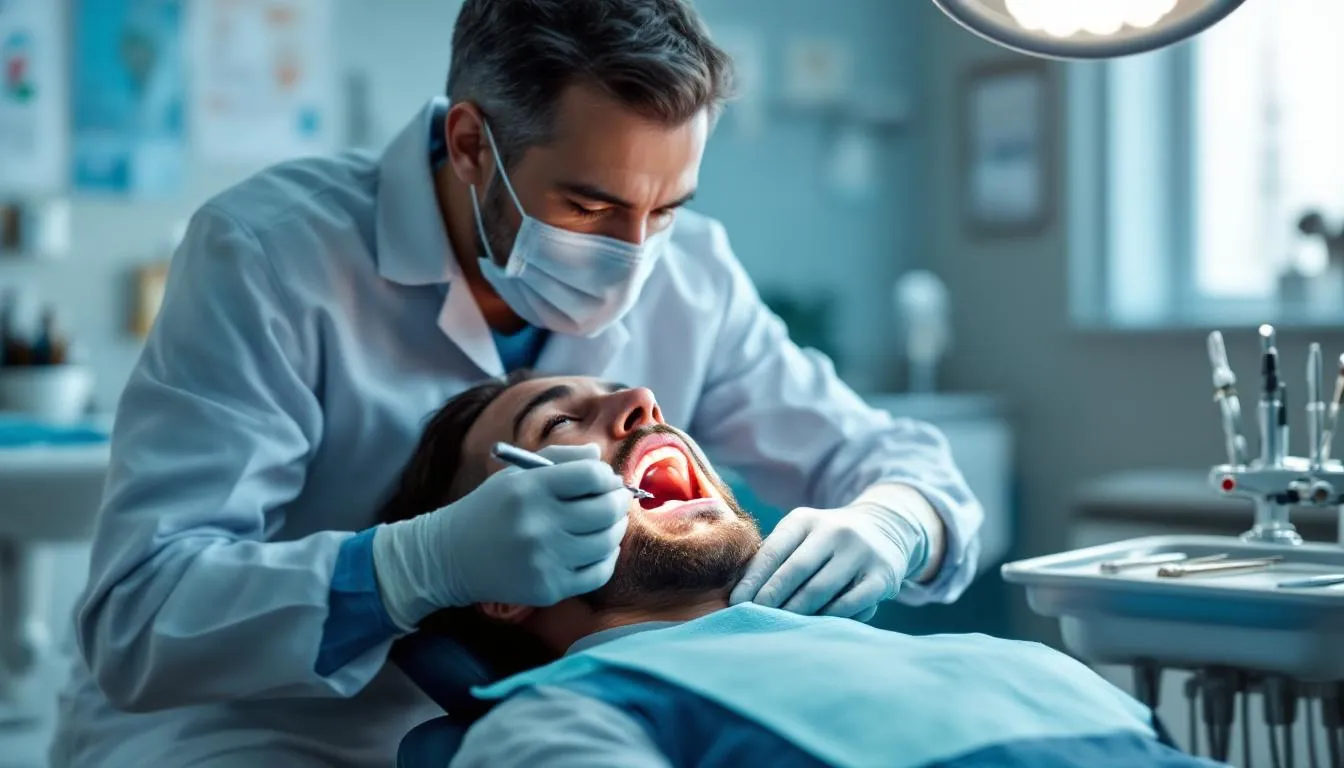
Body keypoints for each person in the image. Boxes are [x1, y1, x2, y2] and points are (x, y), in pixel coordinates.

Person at [51, 1, 984, 765]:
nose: (633, 256)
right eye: (589, 205)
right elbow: (141, 621)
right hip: (259, 729)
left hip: (567, 709)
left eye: (665, 208)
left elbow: (891, 462)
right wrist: (417, 565)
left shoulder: (691, 273)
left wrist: (895, 521)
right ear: (469, 145)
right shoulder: (273, 256)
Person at [379, 374, 1223, 768]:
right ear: (499, 575)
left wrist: (896, 520)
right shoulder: (568, 716)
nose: (641, 401)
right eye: (559, 419)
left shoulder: (973, 654)